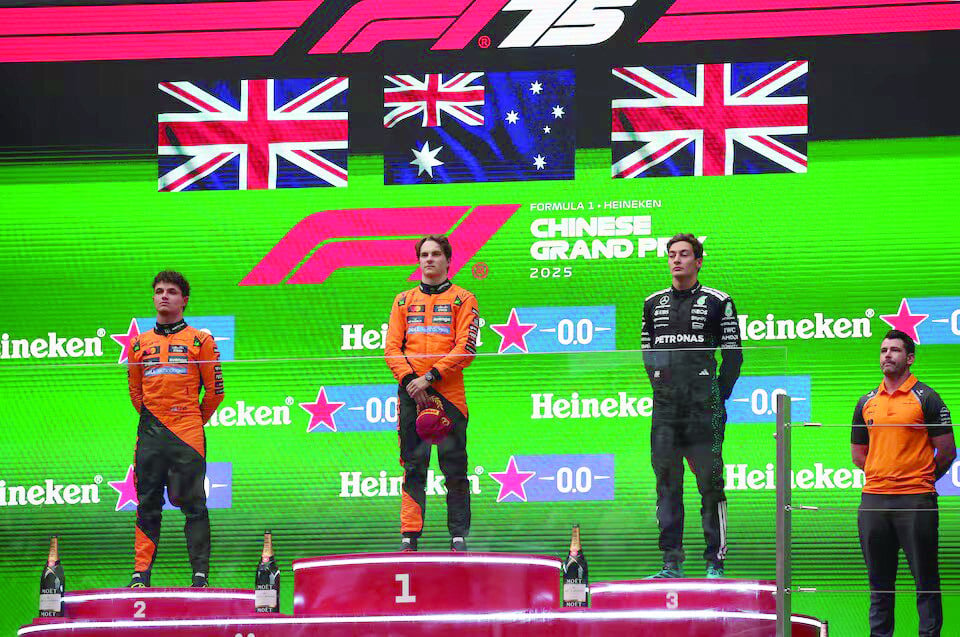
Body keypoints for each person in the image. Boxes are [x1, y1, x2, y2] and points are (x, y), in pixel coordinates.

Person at [641, 233, 742, 579]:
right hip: (666, 410)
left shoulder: (720, 301)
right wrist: (663, 390)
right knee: (667, 485)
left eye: (684, 254)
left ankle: (716, 561)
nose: (677, 260)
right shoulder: (652, 303)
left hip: (704, 408)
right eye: (672, 255)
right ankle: (671, 562)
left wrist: (717, 397)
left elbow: (732, 357)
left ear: (699, 261)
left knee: (711, 485)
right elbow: (647, 355)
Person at [851, 329, 954, 637]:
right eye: (883, 350)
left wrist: (919, 479)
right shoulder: (866, 402)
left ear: (909, 358)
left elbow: (947, 451)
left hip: (916, 501)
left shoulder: (928, 397)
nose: (887, 355)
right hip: (874, 502)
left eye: (894, 350)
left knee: (926, 582)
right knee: (879, 586)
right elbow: (859, 455)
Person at [126, 271, 224, 588]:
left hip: (188, 434)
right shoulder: (139, 344)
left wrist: (190, 420)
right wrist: (160, 420)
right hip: (151, 434)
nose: (163, 296)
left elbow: (215, 393)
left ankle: (200, 577)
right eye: (158, 291)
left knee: (193, 504)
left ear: (184, 300)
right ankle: (140, 575)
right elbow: (136, 394)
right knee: (147, 504)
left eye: (171, 291)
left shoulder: (201, 341)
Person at [384, 235, 480, 552]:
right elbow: (391, 349)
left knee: (454, 466)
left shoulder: (464, 299)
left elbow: (466, 348)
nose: (429, 260)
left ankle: (458, 536)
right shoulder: (402, 301)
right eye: (424, 254)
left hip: (449, 394)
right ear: (418, 260)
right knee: (413, 466)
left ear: (448, 260)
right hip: (412, 394)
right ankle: (409, 537)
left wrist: (430, 377)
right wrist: (412, 380)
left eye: (436, 254)